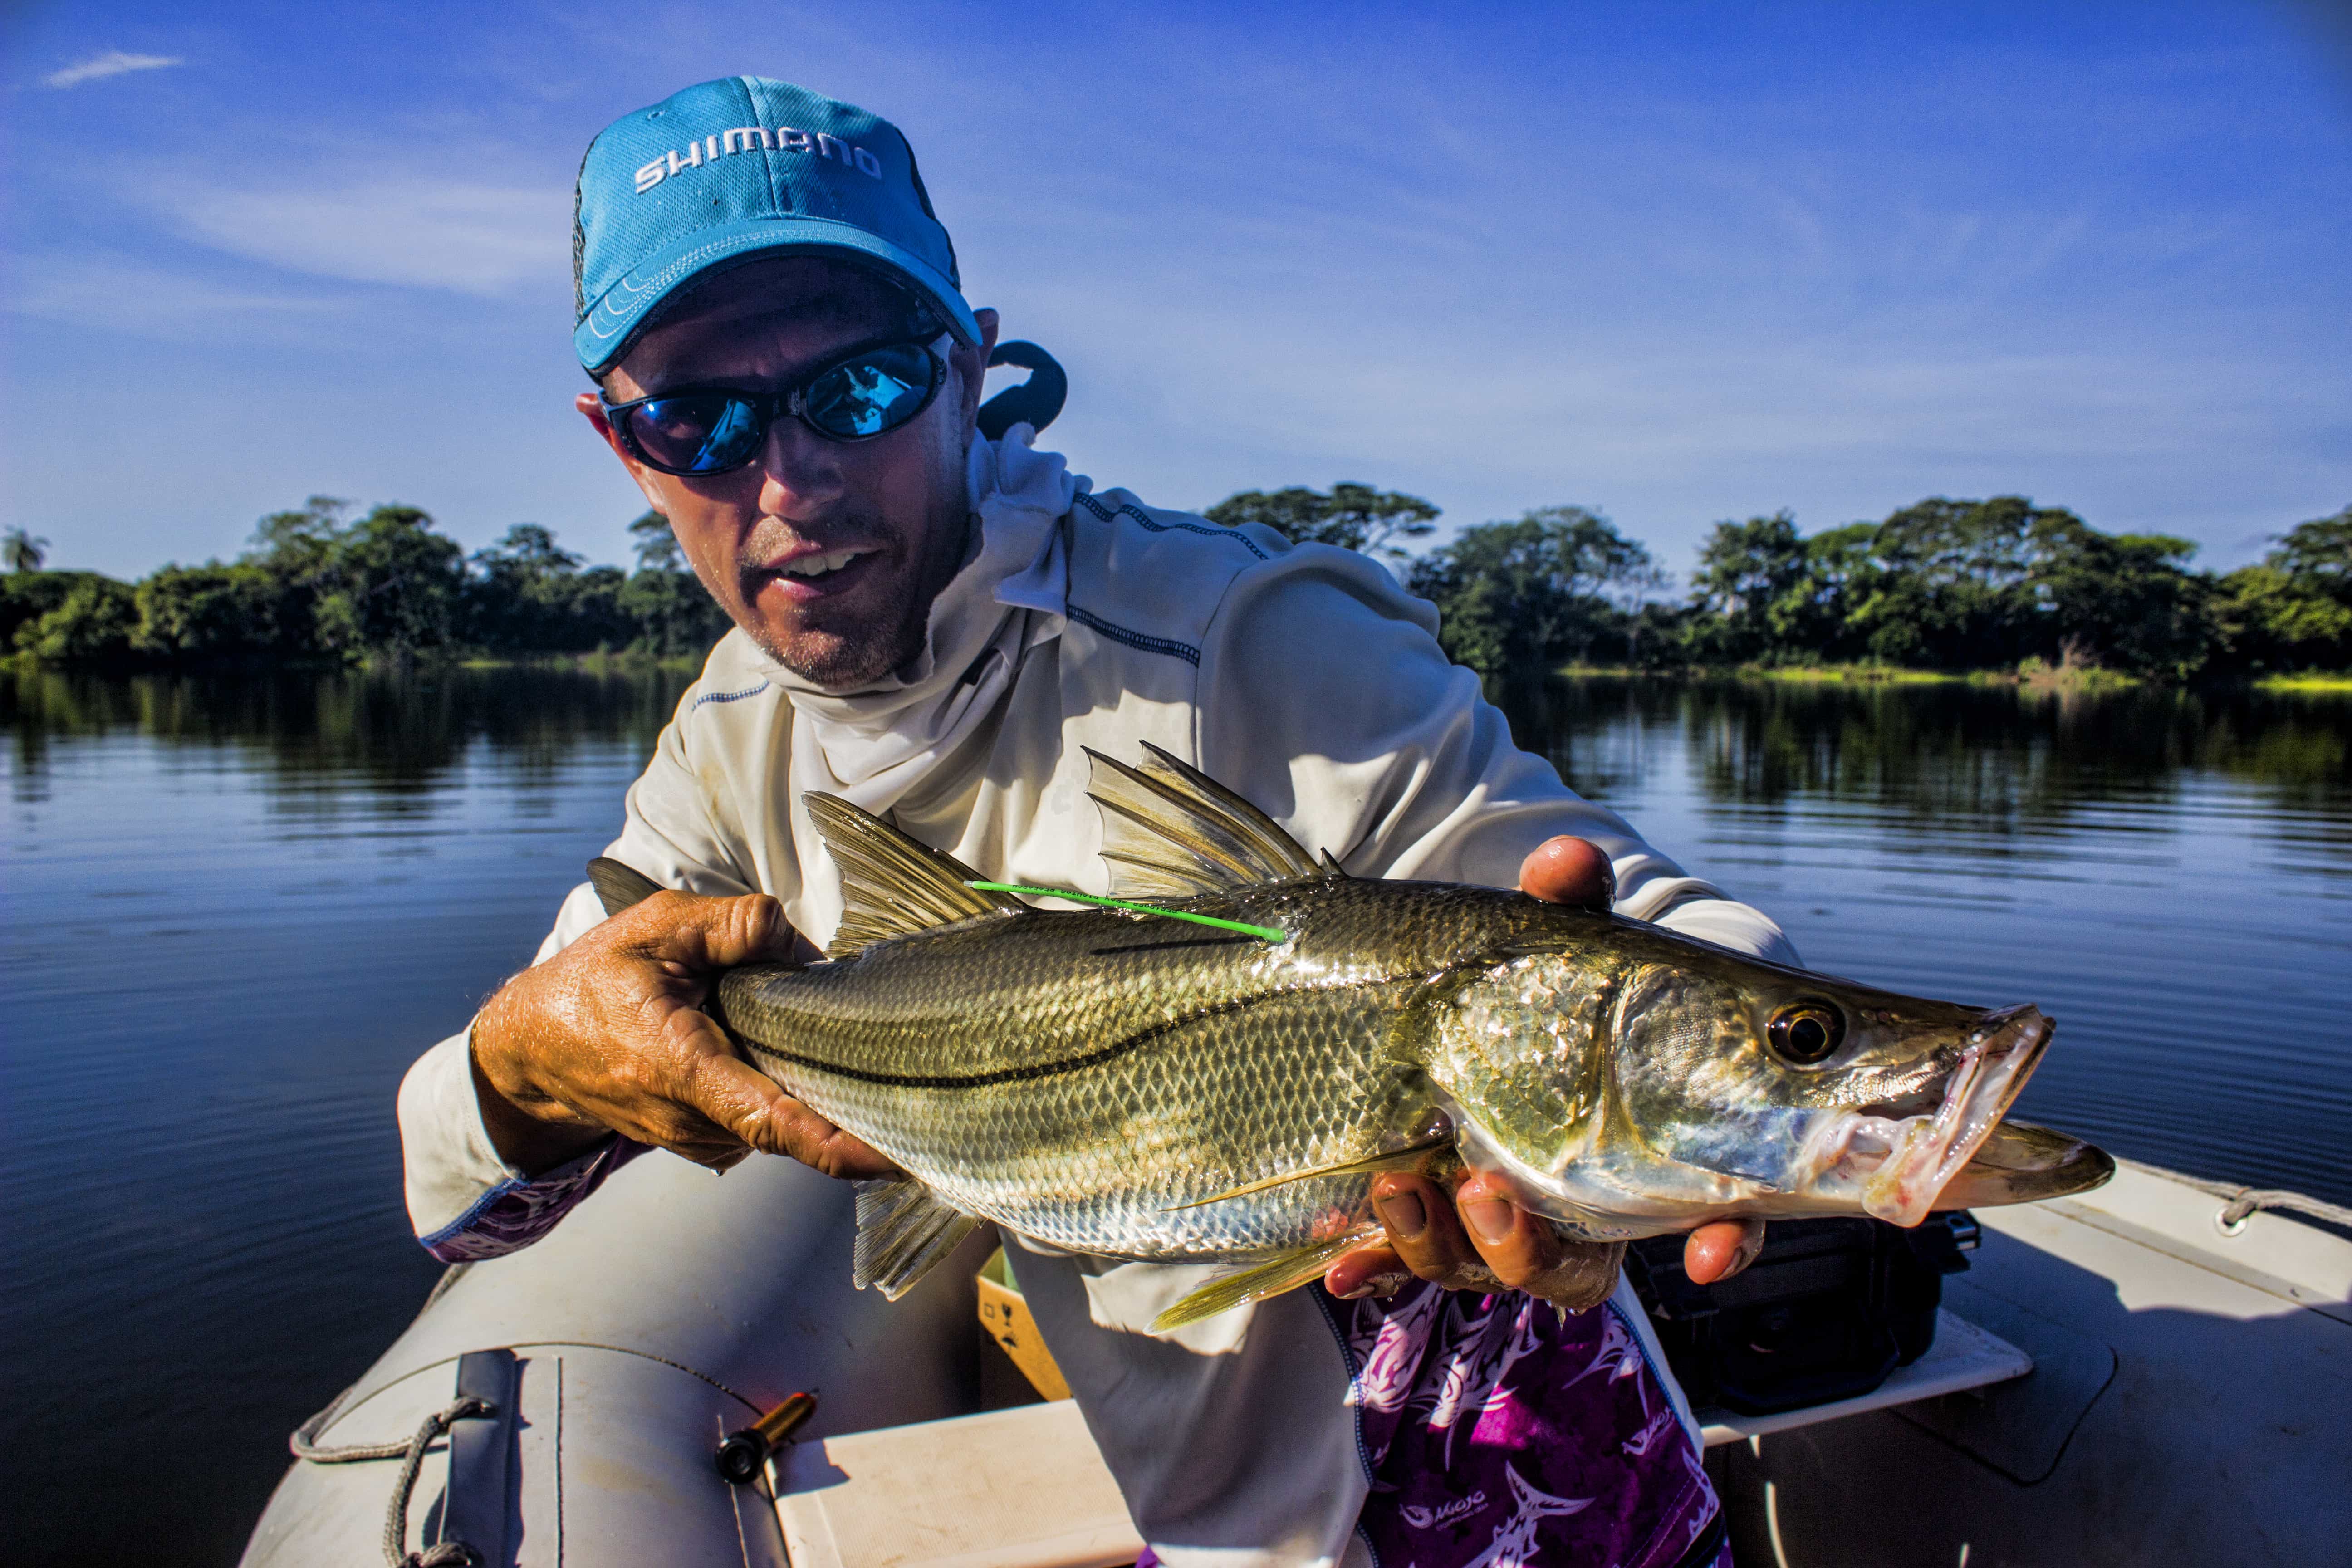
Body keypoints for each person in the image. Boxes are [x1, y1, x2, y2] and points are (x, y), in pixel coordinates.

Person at [399, 75, 1795, 1568]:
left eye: (857, 389)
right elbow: (462, 1206)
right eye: (697, 419)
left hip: (1533, 1486)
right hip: (1213, 1534)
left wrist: (1705, 1099)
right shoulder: (721, 760)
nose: (790, 481)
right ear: (623, 447)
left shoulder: (1256, 639)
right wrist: (521, 1063)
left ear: (967, 369)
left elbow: (1669, 933)